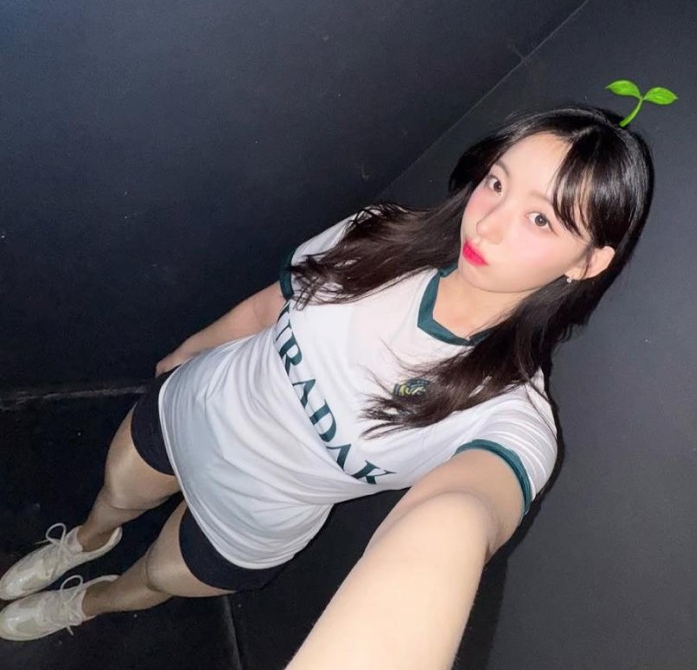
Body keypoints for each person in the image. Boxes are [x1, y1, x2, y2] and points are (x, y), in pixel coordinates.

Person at [0, 106, 651, 641]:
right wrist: (193, 348)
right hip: (191, 409)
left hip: (250, 520)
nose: (489, 222)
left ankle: (86, 601)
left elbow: (476, 505)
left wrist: (446, 546)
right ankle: (85, 541)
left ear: (587, 262)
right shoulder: (377, 234)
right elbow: (269, 305)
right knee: (114, 497)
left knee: (149, 581)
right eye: (497, 183)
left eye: (540, 219)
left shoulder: (504, 413)